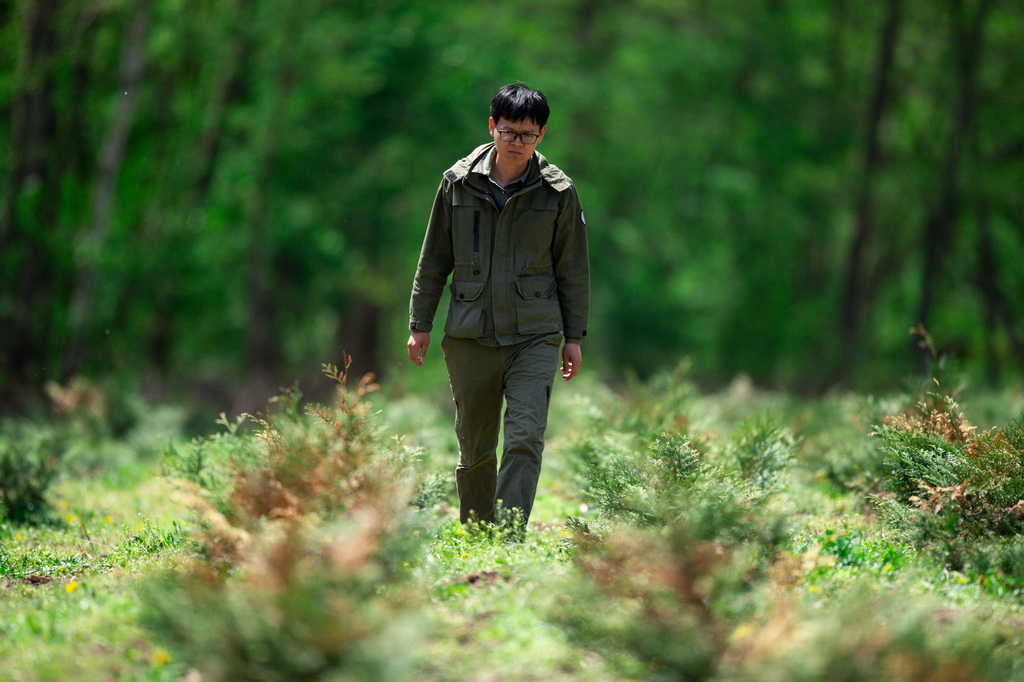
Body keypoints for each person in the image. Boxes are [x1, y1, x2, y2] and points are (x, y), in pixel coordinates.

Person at [407, 83, 590, 532]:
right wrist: (420, 323)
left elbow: (573, 269)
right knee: (475, 447)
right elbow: (434, 259)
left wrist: (574, 337)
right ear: (492, 127)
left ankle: (508, 536)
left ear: (541, 135)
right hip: (470, 334)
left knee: (525, 437)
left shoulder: (558, 192)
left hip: (535, 335)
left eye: (527, 135)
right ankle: (478, 530)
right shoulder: (456, 184)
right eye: (509, 132)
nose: (516, 143)